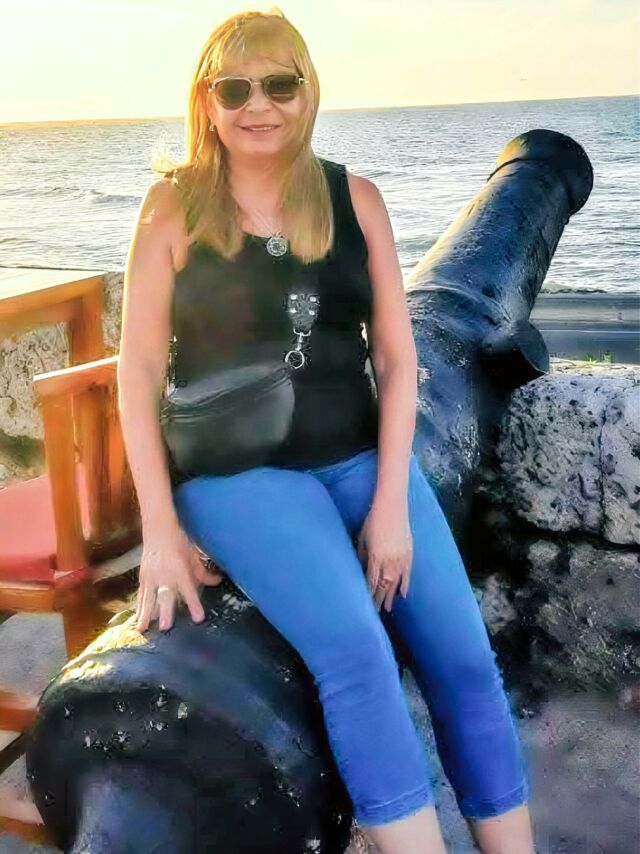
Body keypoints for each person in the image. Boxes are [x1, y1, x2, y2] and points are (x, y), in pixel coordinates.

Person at [118, 8, 535, 853]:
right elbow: (138, 370)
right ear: (206, 101)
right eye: (235, 88)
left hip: (356, 458)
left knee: (465, 662)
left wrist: (391, 506)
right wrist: (158, 530)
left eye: (279, 84)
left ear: (307, 92)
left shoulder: (355, 200)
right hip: (236, 474)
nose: (258, 105)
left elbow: (398, 361)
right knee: (357, 655)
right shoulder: (171, 209)